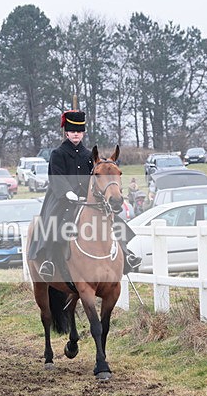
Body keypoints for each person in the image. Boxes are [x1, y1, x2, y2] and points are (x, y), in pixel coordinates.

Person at [28, 110, 142, 279]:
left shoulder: (89, 155)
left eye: (79, 131)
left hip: (88, 198)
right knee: (53, 222)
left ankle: (126, 254)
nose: (76, 134)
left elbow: (98, 177)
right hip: (62, 198)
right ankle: (49, 261)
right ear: (67, 132)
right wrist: (68, 193)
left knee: (113, 219)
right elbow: (56, 178)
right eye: (73, 131)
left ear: (82, 133)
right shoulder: (58, 154)